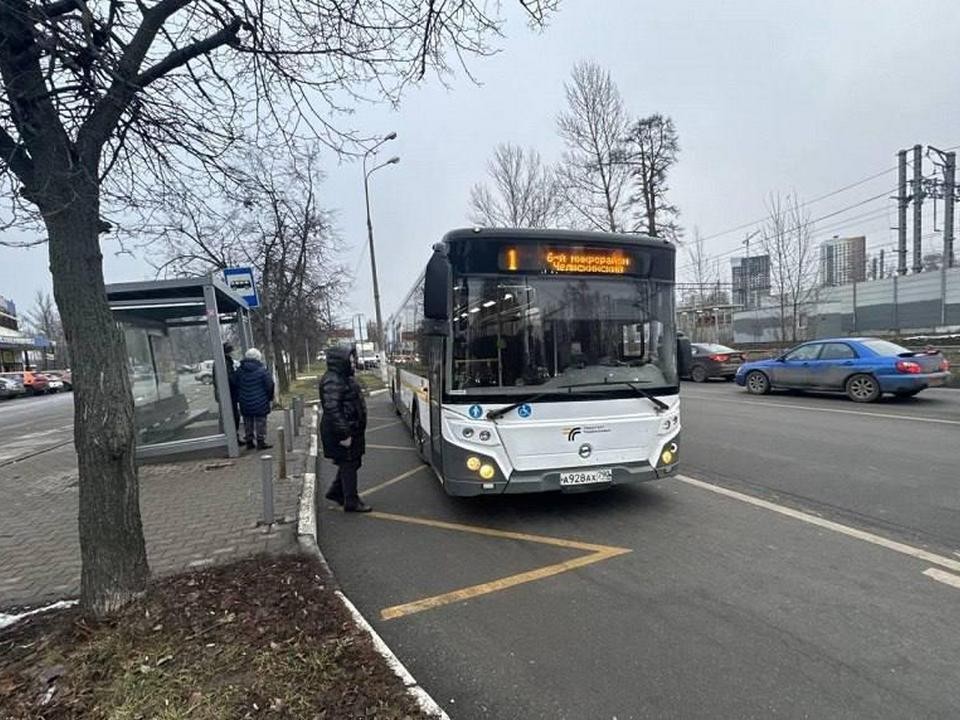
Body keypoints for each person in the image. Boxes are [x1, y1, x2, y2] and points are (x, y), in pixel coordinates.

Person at [320, 346, 370, 513]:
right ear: (339, 361)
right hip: (343, 431)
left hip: (351, 428)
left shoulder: (343, 377)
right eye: (349, 359)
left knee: (352, 462)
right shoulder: (333, 380)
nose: (352, 362)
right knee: (349, 463)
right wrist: (345, 434)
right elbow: (333, 409)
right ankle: (351, 501)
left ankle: (336, 492)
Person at [234, 347, 274, 450]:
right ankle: (260, 441)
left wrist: (240, 397)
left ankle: (249, 441)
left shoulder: (239, 371)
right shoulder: (262, 370)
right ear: (258, 358)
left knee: (248, 421)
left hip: (245, 401)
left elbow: (235, 384)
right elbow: (269, 385)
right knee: (260, 421)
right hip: (260, 400)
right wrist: (269, 398)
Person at [222, 342, 241, 442]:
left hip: (229, 393)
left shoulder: (225, 361)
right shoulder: (225, 362)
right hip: (229, 394)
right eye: (231, 351)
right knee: (234, 416)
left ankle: (234, 437)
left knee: (234, 416)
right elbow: (231, 379)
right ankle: (233, 438)